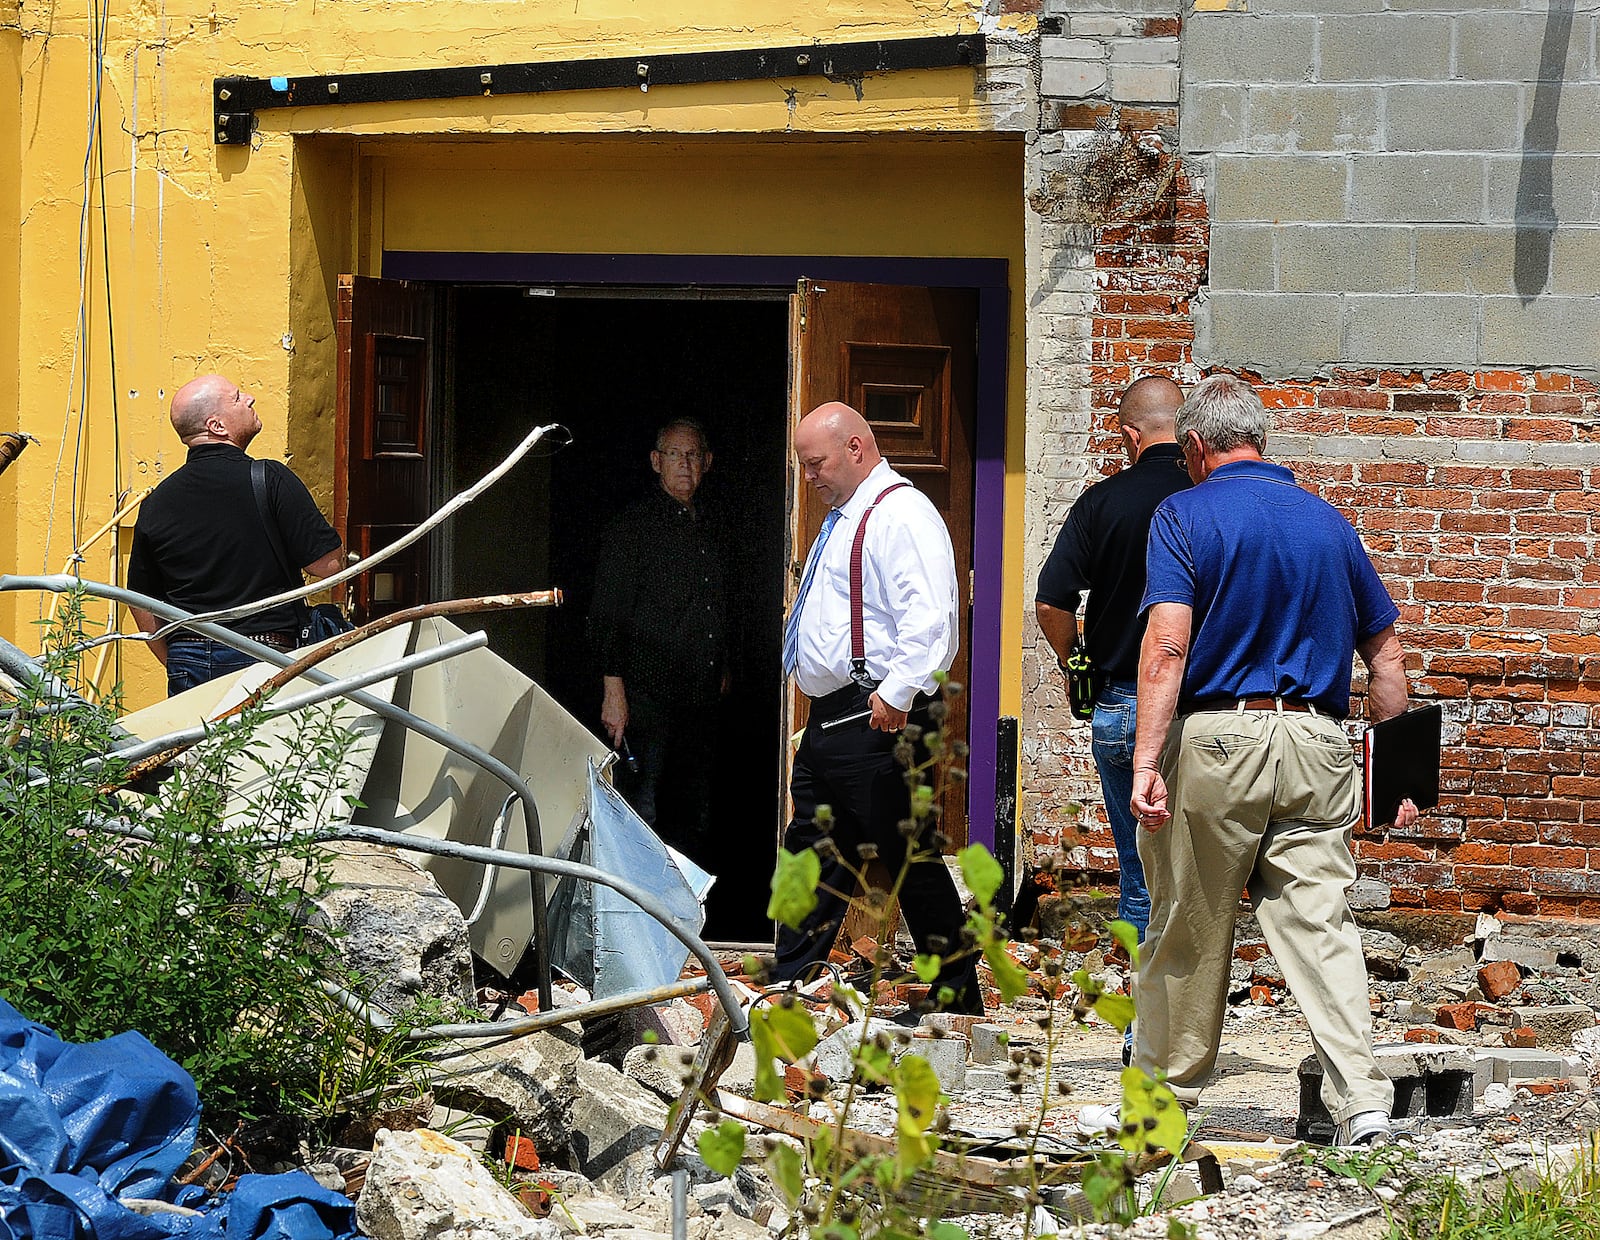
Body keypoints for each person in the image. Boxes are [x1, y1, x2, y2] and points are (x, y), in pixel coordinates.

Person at [1102, 374, 1417, 1148]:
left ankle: (1162, 1114)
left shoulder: (1184, 512)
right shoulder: (1329, 524)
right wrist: (1399, 772)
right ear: (1263, 442)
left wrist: (1146, 759)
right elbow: (1386, 657)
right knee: (1322, 927)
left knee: (1187, 926)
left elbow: (1167, 643)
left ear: (1199, 447)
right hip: (1317, 743)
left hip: (1219, 741)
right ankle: (1364, 1106)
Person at [772, 402, 981, 1015]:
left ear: (857, 449)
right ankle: (792, 982)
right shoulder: (845, 516)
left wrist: (896, 693)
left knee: (905, 854)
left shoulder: (902, 514)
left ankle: (957, 994)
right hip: (830, 714)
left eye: (816, 464)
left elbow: (930, 618)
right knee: (809, 846)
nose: (808, 477)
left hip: (878, 710)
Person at [1035, 376, 1190, 947]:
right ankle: (1195, 1025)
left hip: (1125, 699)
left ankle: (1143, 1032)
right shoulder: (1205, 496)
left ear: (1130, 434)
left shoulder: (1103, 501)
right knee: (1205, 883)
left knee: (1139, 875)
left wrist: (1075, 658)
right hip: (1207, 708)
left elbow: (1051, 601)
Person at [127, 375, 344, 696]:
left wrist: (176, 659)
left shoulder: (157, 500)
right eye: (237, 397)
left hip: (190, 660)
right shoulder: (270, 479)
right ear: (216, 426)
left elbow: (140, 601)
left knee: (199, 748)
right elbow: (328, 567)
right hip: (266, 657)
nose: (251, 399)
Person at [587, 419, 726, 862]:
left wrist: (722, 663)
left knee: (695, 810)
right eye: (674, 455)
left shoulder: (710, 525)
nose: (684, 465)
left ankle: (689, 915)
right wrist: (614, 692)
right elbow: (608, 613)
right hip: (647, 695)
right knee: (643, 808)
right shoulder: (633, 528)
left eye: (692, 456)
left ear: (706, 462)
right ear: (655, 461)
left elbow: (719, 603)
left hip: (699, 698)